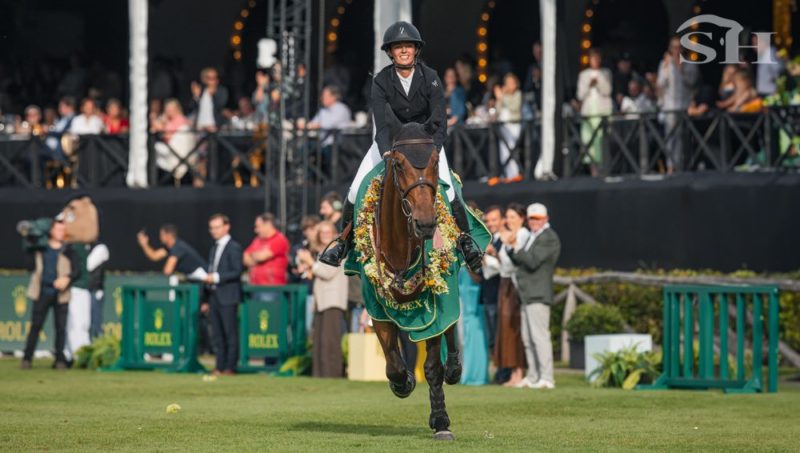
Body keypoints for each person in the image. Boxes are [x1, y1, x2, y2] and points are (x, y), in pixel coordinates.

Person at [319, 21, 484, 273]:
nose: (404, 50)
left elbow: (439, 121)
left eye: (408, 46)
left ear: (416, 50)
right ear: (390, 52)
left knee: (449, 191)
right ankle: (343, 244)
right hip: (393, 144)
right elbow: (381, 125)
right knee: (355, 189)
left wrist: (435, 149)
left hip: (425, 144)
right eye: (398, 47)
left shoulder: (431, 78)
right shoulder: (381, 81)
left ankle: (466, 241)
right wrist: (387, 151)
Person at [506, 203, 561, 389]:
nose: (534, 221)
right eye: (531, 218)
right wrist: (511, 249)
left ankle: (547, 378)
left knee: (540, 338)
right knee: (528, 339)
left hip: (538, 294)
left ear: (546, 219)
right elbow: (520, 260)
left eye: (538, 218)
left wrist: (516, 247)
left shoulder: (548, 237)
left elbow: (532, 261)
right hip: (527, 294)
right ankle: (533, 376)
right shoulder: (533, 236)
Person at [21, 217, 80, 370]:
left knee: (60, 327)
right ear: (51, 231)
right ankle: (27, 358)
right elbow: (27, 252)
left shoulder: (68, 250)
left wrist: (67, 278)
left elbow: (77, 270)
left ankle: (59, 359)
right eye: (58, 229)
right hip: (42, 292)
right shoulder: (40, 248)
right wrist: (28, 234)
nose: (61, 232)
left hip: (61, 293)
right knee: (36, 326)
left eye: (63, 229)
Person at [296, 221, 348, 377]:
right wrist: (307, 267)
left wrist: (310, 263)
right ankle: (319, 374)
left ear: (334, 234)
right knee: (318, 340)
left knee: (329, 341)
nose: (325, 235)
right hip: (321, 301)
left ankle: (332, 374)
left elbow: (327, 273)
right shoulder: (322, 251)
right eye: (322, 232)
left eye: (328, 232)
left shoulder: (338, 250)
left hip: (333, 301)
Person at [492, 203, 529, 386]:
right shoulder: (507, 235)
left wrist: (506, 246)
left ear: (522, 218)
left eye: (513, 217)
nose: (509, 220)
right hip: (505, 283)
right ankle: (513, 372)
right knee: (507, 330)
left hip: (515, 284)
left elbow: (516, 261)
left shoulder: (523, 234)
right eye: (507, 217)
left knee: (515, 329)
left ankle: (519, 372)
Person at [203, 214, 244, 376]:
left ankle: (230, 367)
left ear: (226, 227)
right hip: (214, 295)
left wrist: (216, 277)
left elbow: (237, 271)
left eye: (217, 227)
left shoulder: (234, 247)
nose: (213, 231)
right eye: (211, 228)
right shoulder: (214, 248)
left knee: (230, 333)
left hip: (228, 295)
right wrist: (206, 297)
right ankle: (219, 366)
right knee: (217, 334)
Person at [657, 36, 699, 173]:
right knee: (670, 137)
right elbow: (660, 84)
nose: (677, 50)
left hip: (684, 106)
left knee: (682, 137)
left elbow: (692, 82)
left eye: (679, 47)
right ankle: (670, 166)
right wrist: (665, 67)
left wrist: (681, 69)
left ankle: (681, 165)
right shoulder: (665, 64)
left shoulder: (690, 63)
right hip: (670, 106)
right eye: (674, 48)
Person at [577, 48, 613, 175]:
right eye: (593, 58)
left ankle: (604, 170)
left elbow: (607, 91)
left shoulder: (606, 73)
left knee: (601, 140)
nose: (595, 61)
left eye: (597, 58)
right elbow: (580, 95)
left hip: (602, 111)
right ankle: (594, 171)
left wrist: (598, 82)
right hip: (588, 111)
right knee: (589, 141)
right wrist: (589, 84)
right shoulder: (583, 75)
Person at [136, 224, 206, 278]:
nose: (160, 237)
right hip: (194, 279)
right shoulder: (170, 248)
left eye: (162, 234)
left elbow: (167, 271)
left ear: (168, 235)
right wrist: (144, 244)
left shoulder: (178, 247)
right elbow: (154, 256)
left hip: (205, 279)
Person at [243, 213, 290, 287]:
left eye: (258, 227)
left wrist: (253, 256)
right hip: (255, 285)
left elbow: (261, 257)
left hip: (272, 287)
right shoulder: (257, 240)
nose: (256, 230)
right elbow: (245, 257)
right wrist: (257, 256)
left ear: (268, 225)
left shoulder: (279, 239)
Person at [492, 73, 523, 184]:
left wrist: (503, 97)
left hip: (514, 124)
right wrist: (499, 99)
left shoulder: (518, 94)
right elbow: (498, 110)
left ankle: (515, 173)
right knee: (503, 150)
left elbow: (514, 107)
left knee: (512, 148)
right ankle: (506, 173)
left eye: (512, 83)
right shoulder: (503, 96)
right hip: (503, 125)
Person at [191, 67, 229, 132]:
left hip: (214, 125)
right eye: (209, 78)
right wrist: (196, 96)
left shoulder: (221, 90)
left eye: (215, 78)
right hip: (200, 125)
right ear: (204, 79)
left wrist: (213, 95)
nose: (213, 80)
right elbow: (192, 107)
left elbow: (220, 105)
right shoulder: (201, 91)